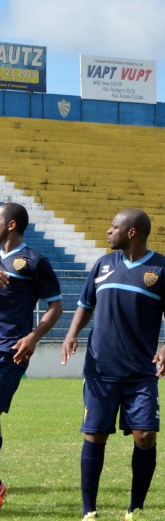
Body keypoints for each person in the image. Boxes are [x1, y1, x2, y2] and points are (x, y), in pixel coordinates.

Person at [60, 209, 165, 521]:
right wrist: (71, 332)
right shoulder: (103, 265)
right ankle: (88, 510)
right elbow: (85, 304)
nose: (108, 231)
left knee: (145, 435)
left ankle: (135, 508)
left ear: (131, 232)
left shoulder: (161, 268)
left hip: (141, 372)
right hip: (100, 370)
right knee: (95, 435)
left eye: (114, 227)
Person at [0, 202, 63, 511]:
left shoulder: (34, 261)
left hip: (10, 351)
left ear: (12, 225)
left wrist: (33, 337)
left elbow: (55, 305)